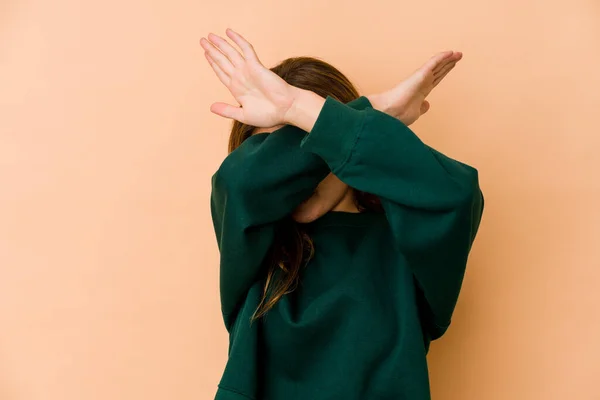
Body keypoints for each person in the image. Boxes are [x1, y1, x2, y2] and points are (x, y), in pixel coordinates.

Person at [201, 28, 484, 400]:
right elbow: (238, 184)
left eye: (308, 147)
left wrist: (299, 110)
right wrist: (377, 109)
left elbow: (456, 195)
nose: (295, 176)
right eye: (277, 155)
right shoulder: (255, 242)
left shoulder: (404, 245)